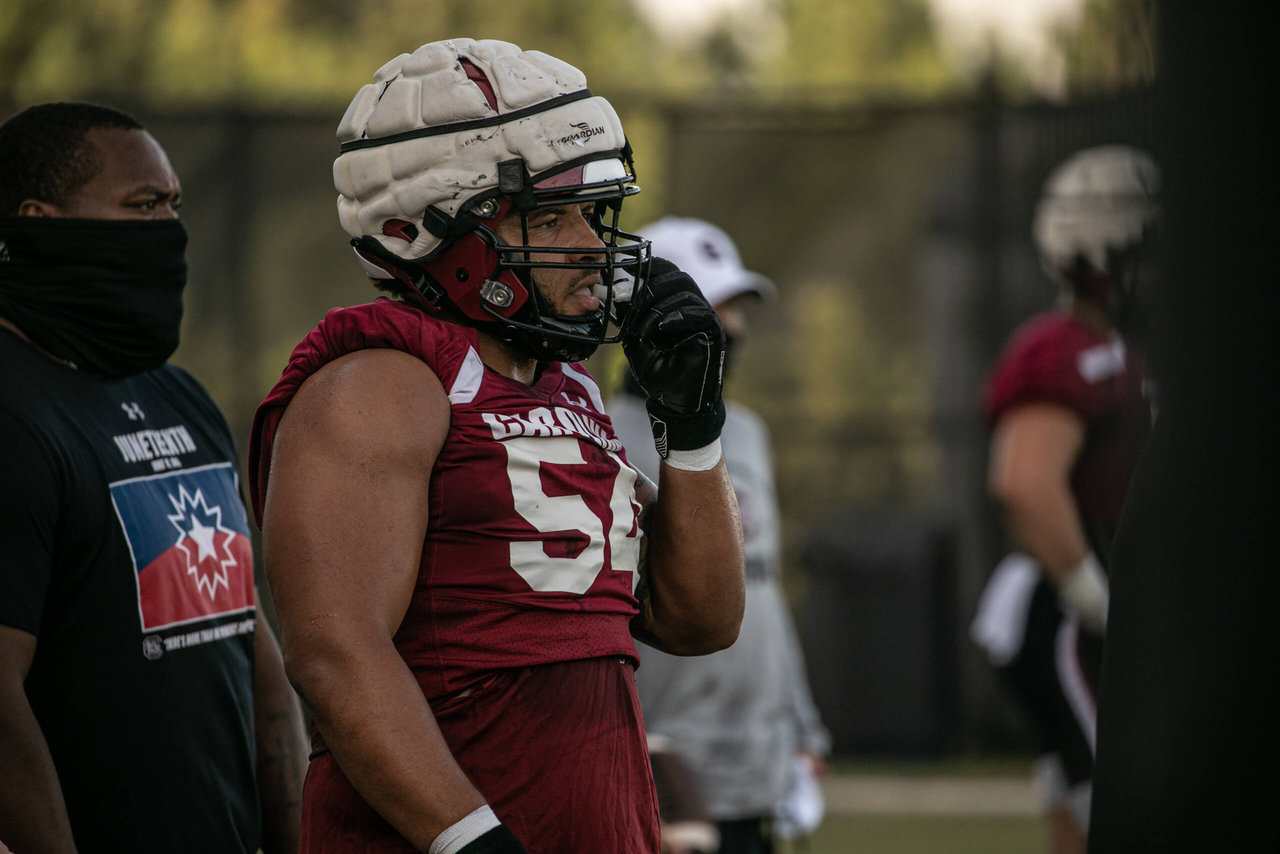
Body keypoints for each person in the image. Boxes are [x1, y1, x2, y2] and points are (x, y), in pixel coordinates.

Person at [248, 39, 745, 854]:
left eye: (590, 212)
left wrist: (692, 430)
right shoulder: (382, 383)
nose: (588, 245)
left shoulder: (564, 387)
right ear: (420, 230)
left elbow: (700, 619)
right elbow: (335, 654)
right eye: (548, 217)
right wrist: (472, 841)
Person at [0, 103, 308, 853]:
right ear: (41, 224)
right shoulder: (12, 413)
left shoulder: (179, 394)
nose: (171, 230)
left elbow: (246, 637)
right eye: (142, 206)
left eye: (174, 203)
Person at [609, 217, 831, 854]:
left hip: (758, 764)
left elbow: (762, 588)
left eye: (735, 310)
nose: (731, 328)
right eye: (713, 308)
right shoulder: (598, 434)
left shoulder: (750, 433)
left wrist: (803, 728)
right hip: (663, 763)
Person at [969, 146, 1158, 854]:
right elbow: (1024, 483)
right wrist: (1096, 599)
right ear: (1105, 255)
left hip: (1088, 610)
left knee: (1079, 808)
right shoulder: (1065, 349)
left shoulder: (1126, 350)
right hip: (1071, 616)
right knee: (1127, 805)